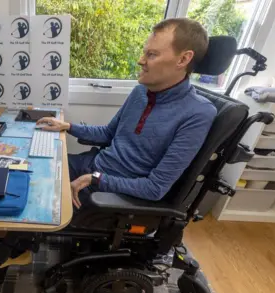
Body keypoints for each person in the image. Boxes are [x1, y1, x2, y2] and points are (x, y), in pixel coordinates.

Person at [37, 18, 217, 209]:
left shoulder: (198, 114)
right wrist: (68, 127)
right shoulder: (140, 92)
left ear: (183, 59)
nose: (141, 60)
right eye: (144, 53)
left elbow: (155, 188)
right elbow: (108, 134)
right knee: (32, 170)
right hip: (92, 164)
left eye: (152, 55)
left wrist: (96, 179)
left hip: (111, 190)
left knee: (39, 204)